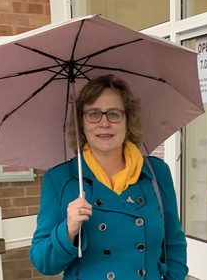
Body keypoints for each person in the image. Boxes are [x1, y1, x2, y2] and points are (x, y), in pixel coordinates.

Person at [29, 74, 188, 280]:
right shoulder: (60, 179)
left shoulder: (157, 173)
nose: (104, 123)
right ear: (81, 124)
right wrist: (68, 230)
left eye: (113, 114)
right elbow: (43, 263)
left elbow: (174, 246)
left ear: (127, 120)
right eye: (94, 114)